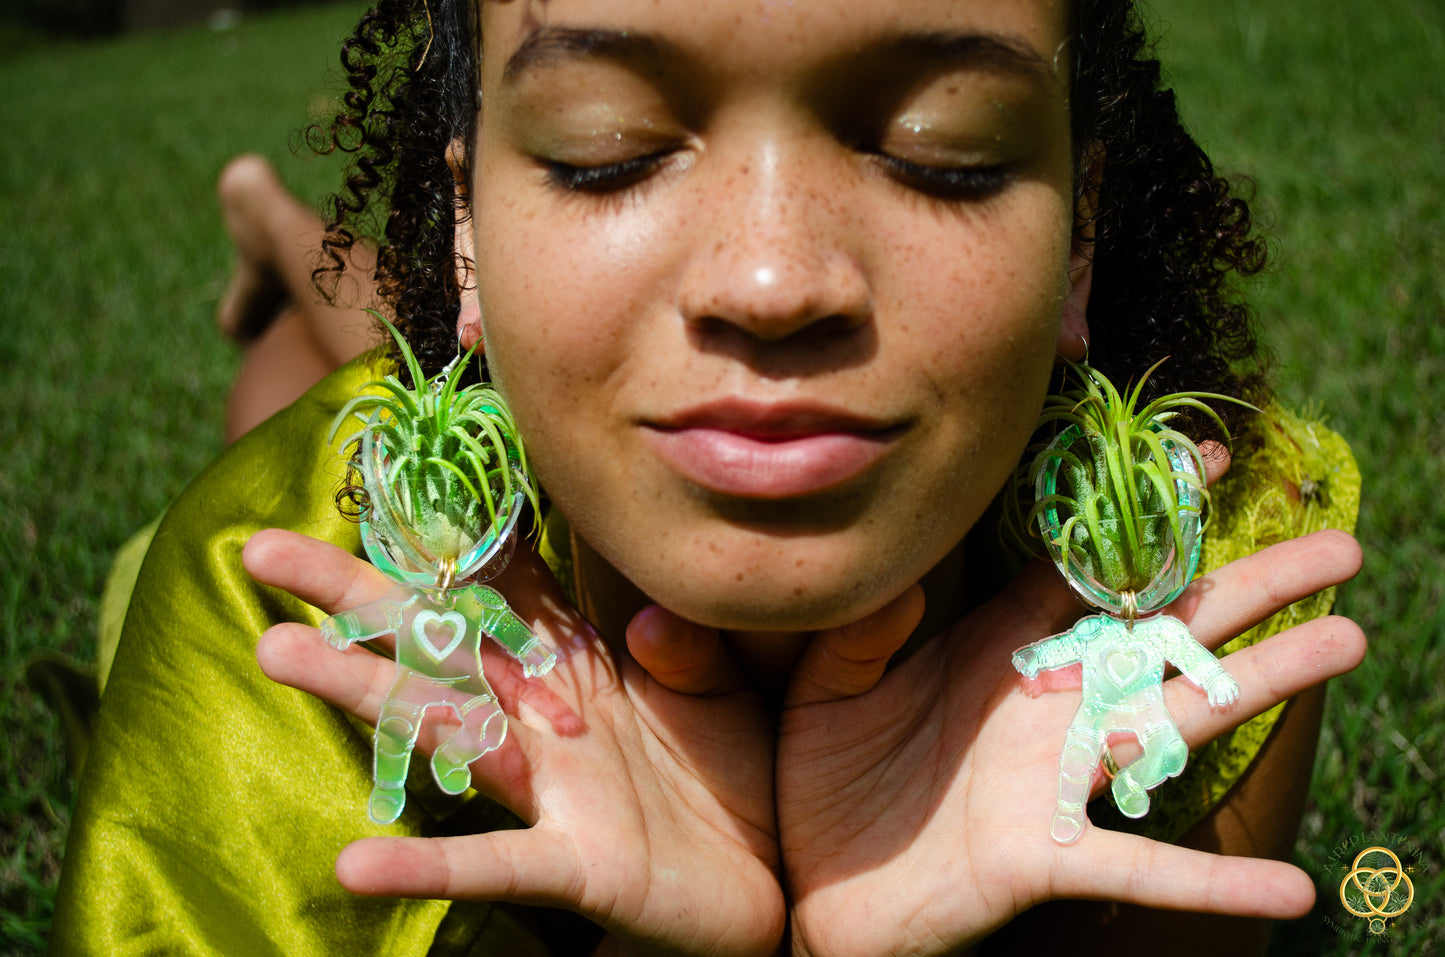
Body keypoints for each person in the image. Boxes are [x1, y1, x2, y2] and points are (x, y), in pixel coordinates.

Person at [51, 0, 1366, 954]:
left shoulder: (1200, 611)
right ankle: (284, 253)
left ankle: (284, 242)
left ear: (1077, 235)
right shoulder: (275, 586)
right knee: (281, 390)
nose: (771, 280)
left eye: (942, 150)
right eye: (606, 148)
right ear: (467, 226)